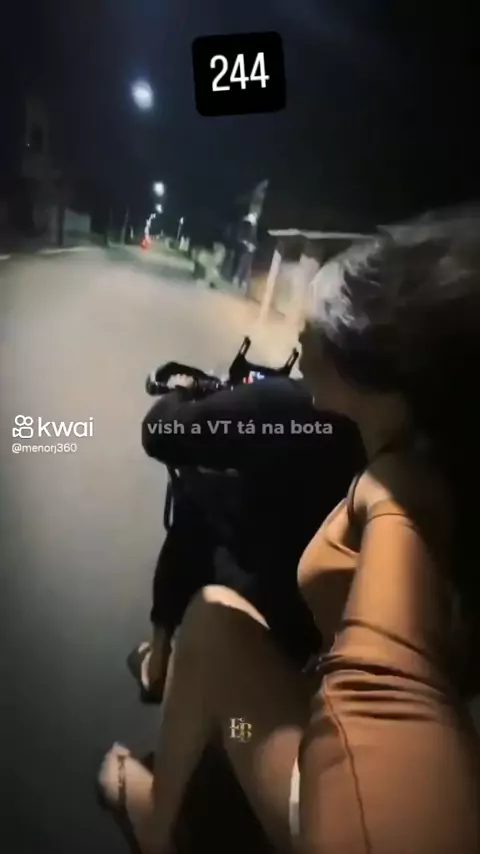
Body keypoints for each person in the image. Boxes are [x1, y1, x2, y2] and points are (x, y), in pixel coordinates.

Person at [98, 216, 480, 854]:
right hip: (326, 678)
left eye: (317, 328)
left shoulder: (391, 489)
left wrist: (186, 400)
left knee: (211, 611)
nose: (301, 336)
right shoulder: (440, 465)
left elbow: (164, 431)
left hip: (343, 797)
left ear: (367, 363)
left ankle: (159, 819)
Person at [129, 375, 366, 701]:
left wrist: (184, 389)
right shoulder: (382, 426)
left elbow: (160, 432)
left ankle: (160, 660)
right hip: (319, 607)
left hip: (276, 605)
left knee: (196, 495)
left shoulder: (290, 404)